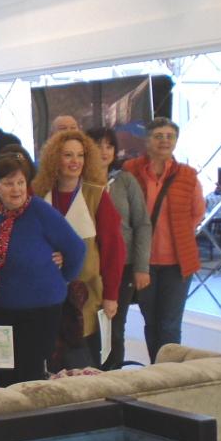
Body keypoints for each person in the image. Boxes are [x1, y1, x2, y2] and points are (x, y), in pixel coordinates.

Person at [0, 153, 86, 386]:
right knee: (4, 377)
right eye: (9, 183)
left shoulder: (40, 210)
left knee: (30, 378)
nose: (17, 189)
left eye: (20, 182)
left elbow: (76, 248)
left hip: (40, 310)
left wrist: (62, 278)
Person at [33, 129, 125, 369]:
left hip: (87, 297)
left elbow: (113, 250)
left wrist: (111, 295)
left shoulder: (97, 195)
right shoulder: (39, 195)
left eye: (80, 155)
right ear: (55, 158)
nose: (75, 161)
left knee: (84, 364)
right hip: (45, 295)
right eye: (68, 155)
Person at [122, 117, 206, 362]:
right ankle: (156, 369)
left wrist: (179, 233)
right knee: (151, 321)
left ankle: (169, 373)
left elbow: (197, 212)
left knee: (169, 323)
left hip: (178, 263)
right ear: (147, 140)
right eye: (158, 136)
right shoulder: (131, 171)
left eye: (170, 136)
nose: (164, 141)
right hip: (143, 262)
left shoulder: (187, 175)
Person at [87, 126, 152, 370]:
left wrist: (141, 266)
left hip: (121, 265)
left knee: (115, 325)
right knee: (88, 327)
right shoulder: (79, 183)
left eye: (109, 146)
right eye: (98, 145)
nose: (104, 151)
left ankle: (113, 376)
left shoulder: (125, 181)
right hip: (88, 266)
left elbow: (142, 223)